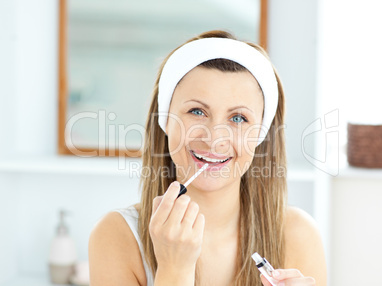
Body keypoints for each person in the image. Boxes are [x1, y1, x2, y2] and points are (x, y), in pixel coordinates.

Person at [88, 30, 327, 286]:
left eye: (238, 118)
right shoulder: (116, 236)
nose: (214, 139)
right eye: (197, 111)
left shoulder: (298, 235)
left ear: (260, 135)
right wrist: (173, 268)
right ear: (165, 120)